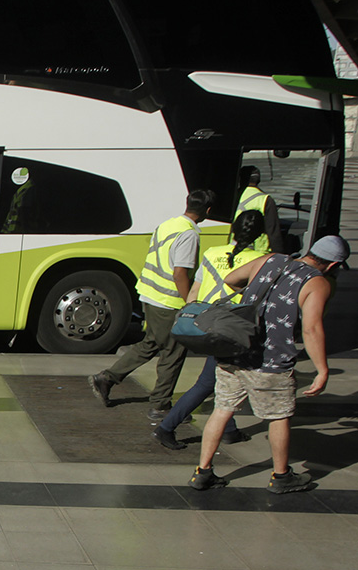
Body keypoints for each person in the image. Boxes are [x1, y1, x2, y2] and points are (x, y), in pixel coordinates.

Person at [189, 235, 349, 494]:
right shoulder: (317, 283)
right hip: (271, 358)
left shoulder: (270, 260)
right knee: (279, 416)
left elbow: (230, 280)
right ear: (332, 266)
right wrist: (322, 369)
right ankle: (281, 476)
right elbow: (311, 329)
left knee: (222, 409)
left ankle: (202, 472)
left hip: (236, 349)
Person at [89, 189, 216, 420]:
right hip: (168, 302)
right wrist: (190, 303)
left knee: (151, 343)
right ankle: (160, 405)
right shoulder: (189, 235)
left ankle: (107, 378)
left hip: (150, 295)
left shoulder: (168, 224)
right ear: (208, 211)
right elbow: (180, 273)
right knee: (173, 352)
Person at [151, 210, 266, 450]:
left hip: (208, 323)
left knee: (225, 378)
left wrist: (188, 315)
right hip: (233, 328)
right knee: (208, 383)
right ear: (261, 234)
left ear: (232, 230)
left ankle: (229, 429)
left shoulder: (212, 253)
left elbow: (195, 290)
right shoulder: (261, 259)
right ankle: (166, 427)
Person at [232, 165, 284, 254]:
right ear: (258, 180)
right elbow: (274, 233)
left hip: (233, 248)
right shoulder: (266, 200)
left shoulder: (231, 197)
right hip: (258, 253)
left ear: (240, 179)